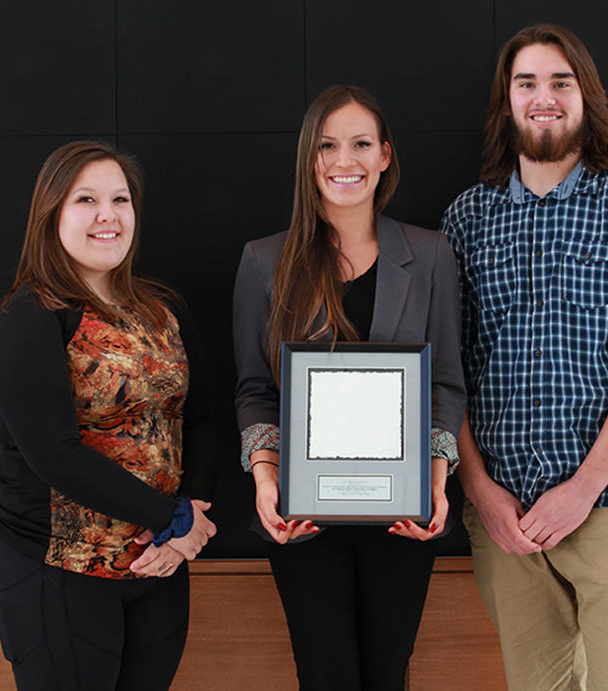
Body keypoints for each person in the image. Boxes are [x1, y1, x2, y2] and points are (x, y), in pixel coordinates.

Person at [441, 24, 608, 691]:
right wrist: (481, 492)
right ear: (506, 102)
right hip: (504, 520)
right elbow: (447, 373)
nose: (542, 97)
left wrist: (581, 491)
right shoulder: (466, 220)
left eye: (560, 81)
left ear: (587, 97)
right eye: (526, 83)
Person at [233, 85, 466, 690]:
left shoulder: (432, 255)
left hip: (402, 518)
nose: (345, 161)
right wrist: (265, 479)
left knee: (388, 675)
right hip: (304, 518)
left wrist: (436, 480)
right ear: (309, 159)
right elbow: (255, 390)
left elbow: (444, 384)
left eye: (361, 144)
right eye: (328, 146)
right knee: (325, 675)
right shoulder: (264, 262)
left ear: (385, 155)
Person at [0, 141, 217, 690]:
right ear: (52, 215)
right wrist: (172, 519)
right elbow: (54, 455)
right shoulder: (28, 317)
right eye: (86, 199)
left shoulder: (164, 308)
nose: (108, 215)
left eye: (121, 199)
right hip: (58, 573)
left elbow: (201, 418)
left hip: (158, 567)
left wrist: (188, 526)